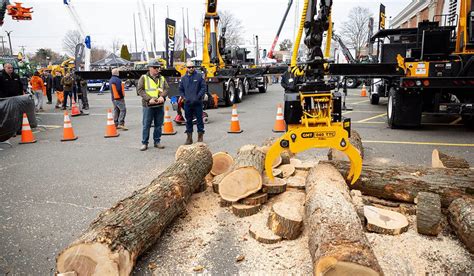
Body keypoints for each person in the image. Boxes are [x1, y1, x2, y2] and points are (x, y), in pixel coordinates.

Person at [137, 60, 169, 151]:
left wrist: (162, 96)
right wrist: (149, 99)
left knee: (158, 125)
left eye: (158, 67)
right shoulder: (143, 78)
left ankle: (157, 141)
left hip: (159, 105)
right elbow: (140, 90)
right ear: (149, 68)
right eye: (155, 67)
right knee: (146, 125)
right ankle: (144, 143)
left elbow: (166, 88)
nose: (157, 69)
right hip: (148, 106)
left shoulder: (161, 78)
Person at [179, 60, 206, 145]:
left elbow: (203, 87)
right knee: (188, 120)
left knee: (199, 120)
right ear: (186, 68)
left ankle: (200, 137)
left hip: (197, 103)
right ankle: (189, 138)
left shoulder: (199, 76)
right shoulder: (183, 78)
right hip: (187, 104)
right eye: (189, 67)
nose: (191, 68)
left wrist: (198, 97)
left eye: (192, 67)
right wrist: (183, 97)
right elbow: (181, 89)